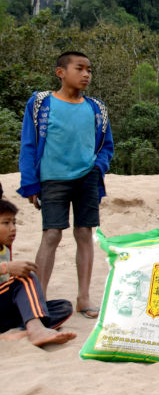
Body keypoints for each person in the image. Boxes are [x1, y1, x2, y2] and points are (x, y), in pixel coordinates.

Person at [18, 51, 114, 319]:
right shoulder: (41, 103)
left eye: (89, 70)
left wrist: (98, 167)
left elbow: (107, 146)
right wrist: (30, 183)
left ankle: (84, 298)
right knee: (51, 235)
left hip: (88, 179)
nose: (86, 74)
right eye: (80, 68)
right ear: (61, 72)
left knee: (85, 234)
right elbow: (28, 144)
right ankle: (38, 300)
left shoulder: (96, 108)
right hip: (52, 179)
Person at [0, 198, 77, 347]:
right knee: (24, 279)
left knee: (62, 307)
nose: (13, 228)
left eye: (14, 223)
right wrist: (7, 268)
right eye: (6, 223)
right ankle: (36, 330)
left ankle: (23, 330)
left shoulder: (5, 248)